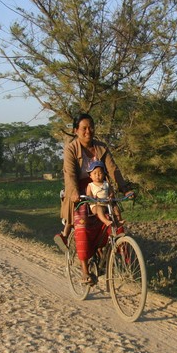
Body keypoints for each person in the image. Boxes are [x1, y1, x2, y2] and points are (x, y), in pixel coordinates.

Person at [54, 113, 132, 284]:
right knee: (81, 220)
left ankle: (117, 255)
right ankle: (84, 271)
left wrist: (124, 188)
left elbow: (113, 169)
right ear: (76, 131)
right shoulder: (71, 149)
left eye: (91, 127)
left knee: (114, 215)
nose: (88, 131)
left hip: (101, 189)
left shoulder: (101, 148)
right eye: (84, 128)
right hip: (81, 191)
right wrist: (74, 193)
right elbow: (70, 174)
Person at [86, 160, 125, 228]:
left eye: (100, 173)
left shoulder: (106, 184)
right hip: (96, 205)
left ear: (104, 174)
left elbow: (111, 192)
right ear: (90, 176)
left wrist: (110, 196)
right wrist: (93, 198)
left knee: (116, 208)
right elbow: (88, 195)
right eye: (94, 173)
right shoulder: (90, 185)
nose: (97, 175)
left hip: (107, 204)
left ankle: (118, 221)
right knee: (99, 209)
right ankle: (106, 221)